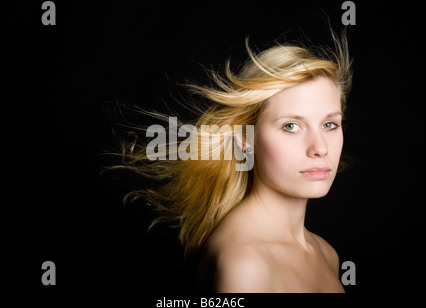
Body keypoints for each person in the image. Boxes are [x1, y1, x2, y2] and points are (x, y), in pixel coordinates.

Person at [116, 32, 352, 293]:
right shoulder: (245, 264)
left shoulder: (326, 254)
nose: (320, 148)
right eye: (291, 126)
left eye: (330, 124)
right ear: (245, 138)